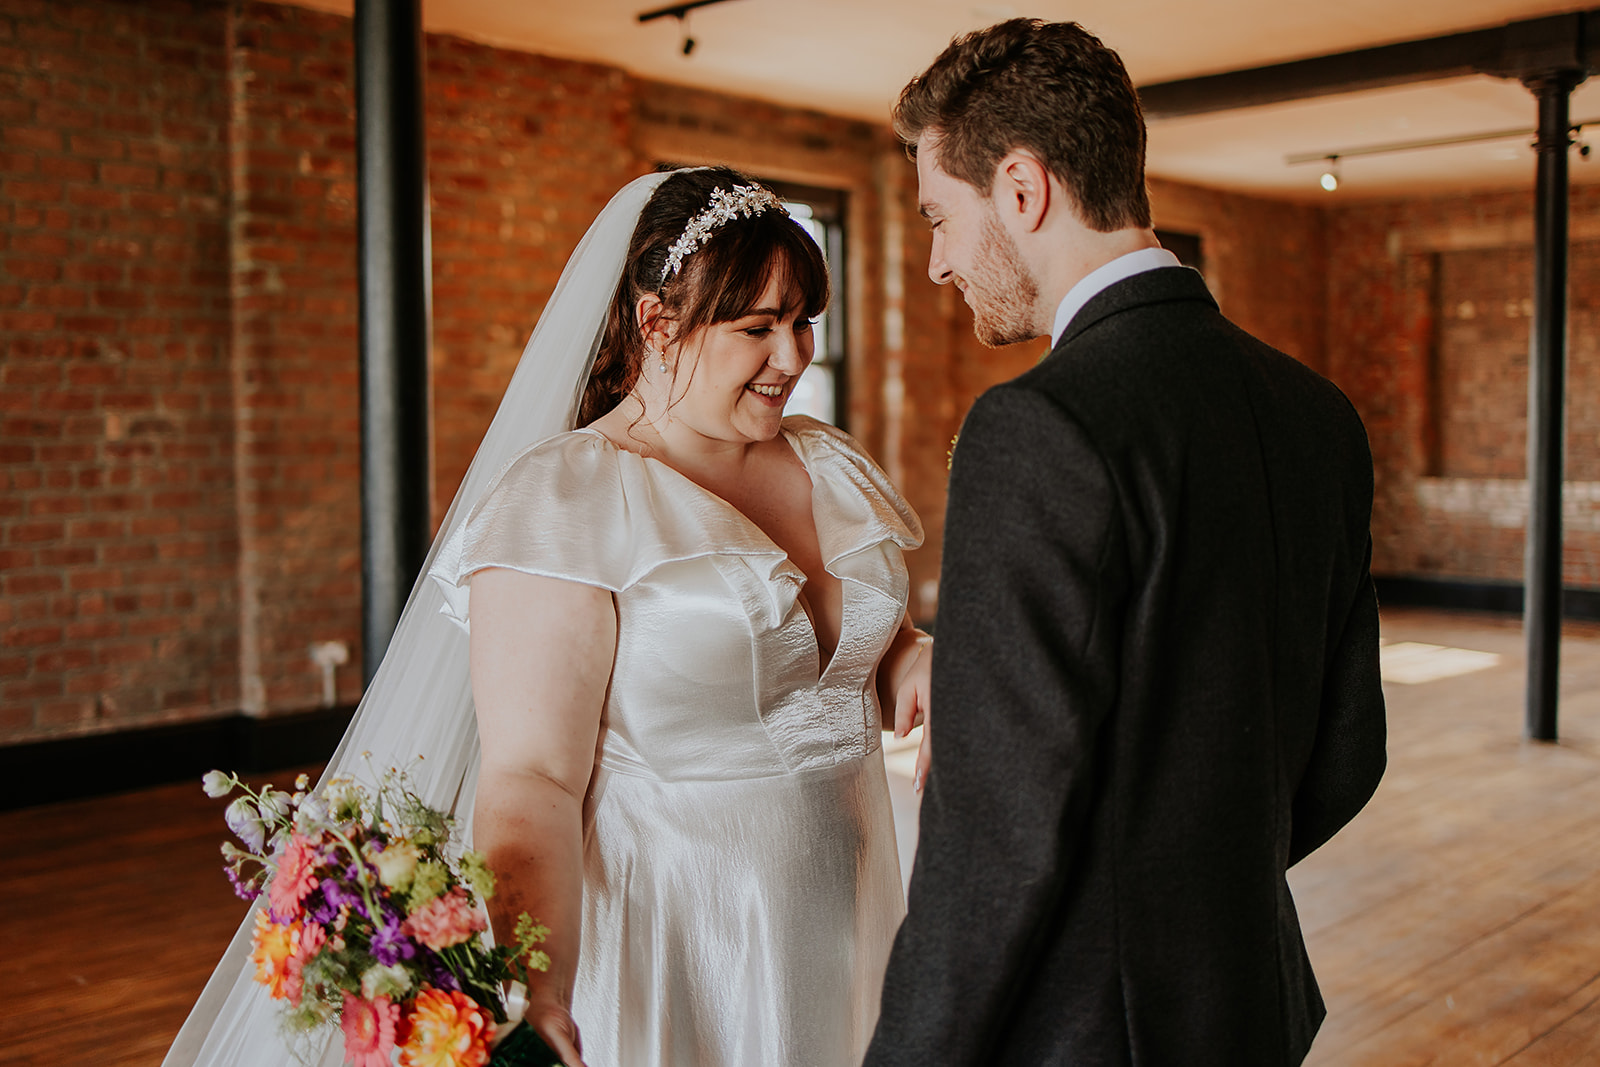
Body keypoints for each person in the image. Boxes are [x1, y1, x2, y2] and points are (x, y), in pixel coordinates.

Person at [164, 167, 931, 1067]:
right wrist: (538, 984)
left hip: (859, 905)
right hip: (685, 934)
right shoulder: (567, 502)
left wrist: (910, 657)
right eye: (757, 328)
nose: (795, 357)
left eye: (803, 322)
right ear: (656, 323)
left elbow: (832, 652)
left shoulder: (829, 461)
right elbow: (534, 779)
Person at [865, 19, 1387, 1067]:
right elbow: (1346, 749)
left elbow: (994, 833)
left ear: (1022, 189)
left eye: (939, 219)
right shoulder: (1315, 410)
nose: (934, 264)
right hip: (1247, 1003)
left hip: (1085, 1033)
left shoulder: (1037, 428)